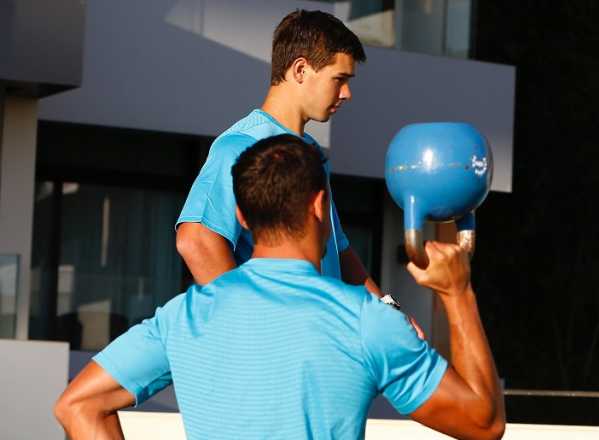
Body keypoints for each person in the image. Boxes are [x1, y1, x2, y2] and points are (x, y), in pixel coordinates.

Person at [54, 134, 506, 439]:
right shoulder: (365, 319)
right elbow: (483, 423)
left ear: (243, 218)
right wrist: (457, 294)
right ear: (319, 205)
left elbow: (79, 405)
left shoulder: (184, 315)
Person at [174, 9, 389, 303]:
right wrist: (254, 324)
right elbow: (195, 240)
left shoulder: (311, 153)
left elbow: (340, 252)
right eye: (339, 79)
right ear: (300, 70)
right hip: (279, 343)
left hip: (317, 342)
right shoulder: (240, 146)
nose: (347, 93)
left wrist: (390, 312)